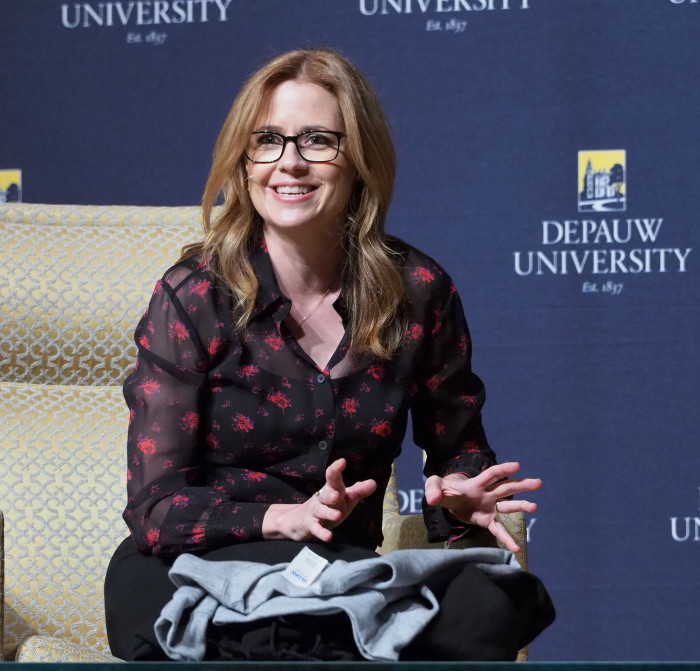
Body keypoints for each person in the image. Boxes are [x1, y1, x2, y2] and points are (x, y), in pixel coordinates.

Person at [105, 47, 554, 662]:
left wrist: (461, 497)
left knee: (494, 599)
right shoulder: (193, 296)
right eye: (267, 140)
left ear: (360, 160)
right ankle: (327, 645)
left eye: (319, 140)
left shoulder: (419, 292)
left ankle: (297, 641)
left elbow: (458, 450)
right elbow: (156, 509)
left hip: (335, 573)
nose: (290, 162)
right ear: (244, 160)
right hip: (204, 565)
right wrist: (280, 519)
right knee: (147, 598)